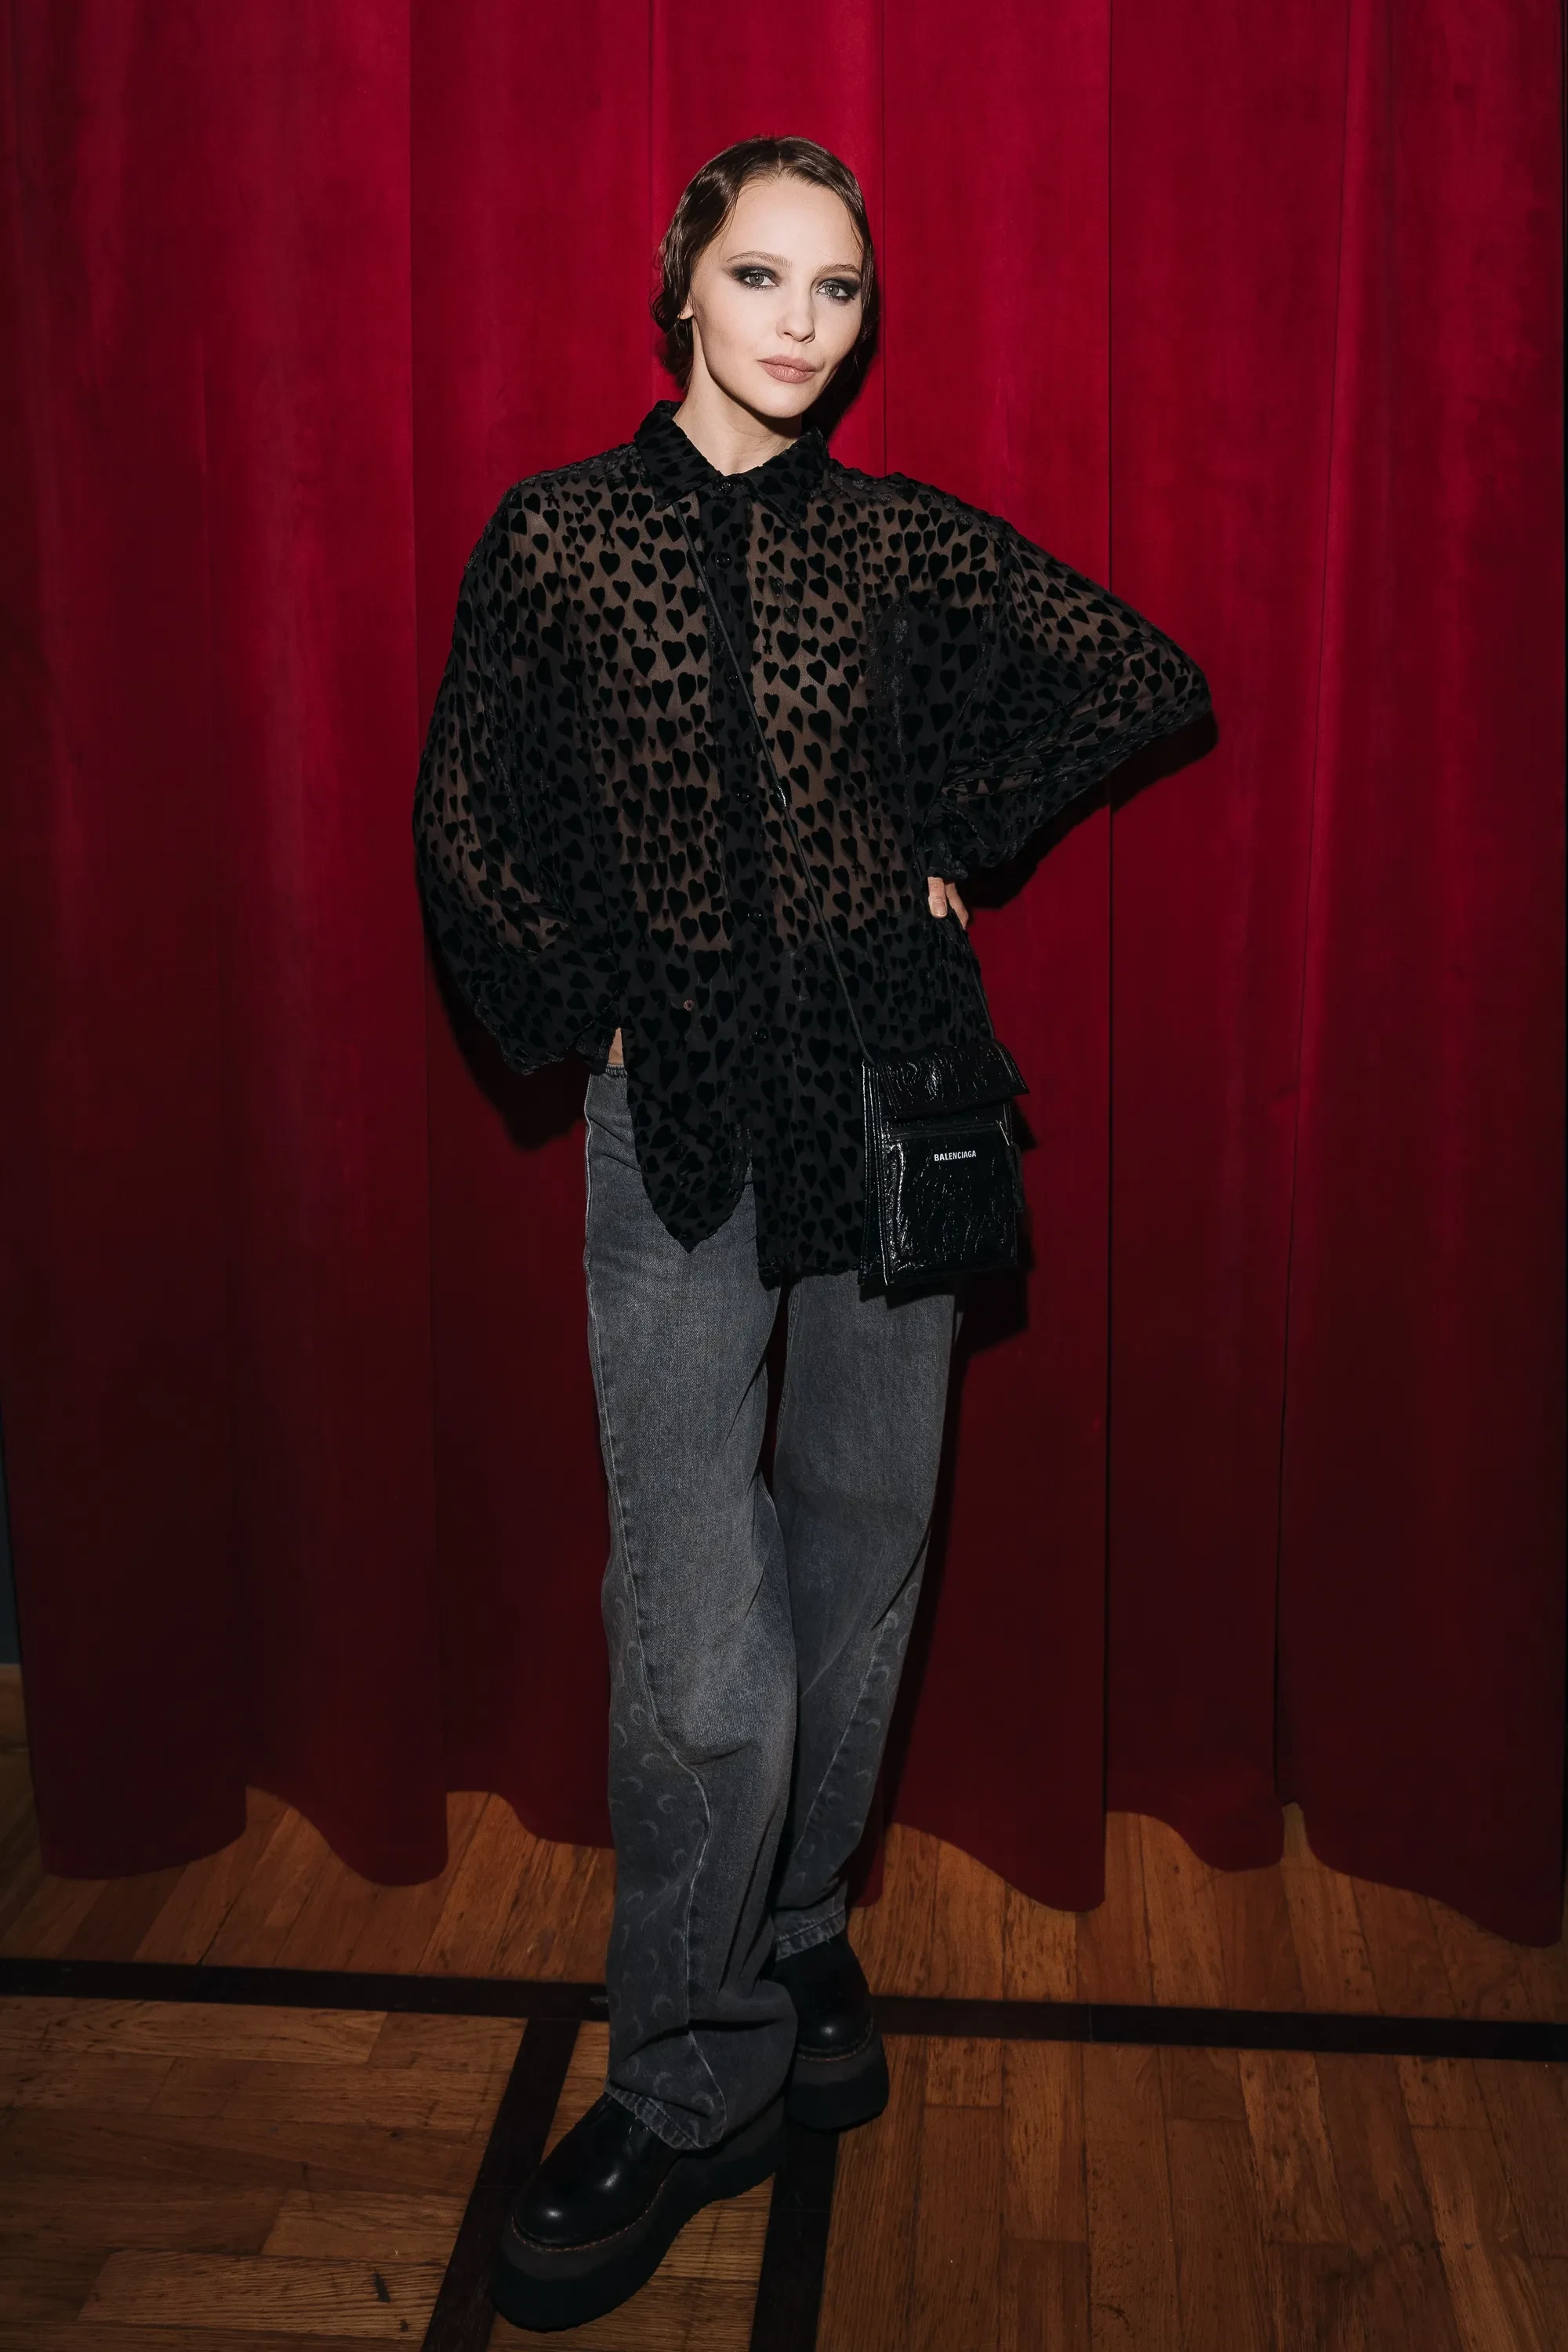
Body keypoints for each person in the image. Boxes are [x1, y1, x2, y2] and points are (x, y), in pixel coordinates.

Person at [412, 134, 1210, 2332]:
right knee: (696, 1624)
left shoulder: (891, 543)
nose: (799, 322)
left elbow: (1139, 668)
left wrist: (955, 834)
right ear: (682, 286)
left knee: (864, 1551)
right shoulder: (561, 539)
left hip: (893, 1090)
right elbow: (467, 819)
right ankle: (687, 2076)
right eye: (761, 275)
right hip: (678, 1114)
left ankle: (785, 1938)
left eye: (837, 289)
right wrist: (583, 1004)